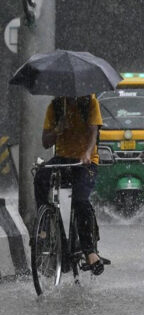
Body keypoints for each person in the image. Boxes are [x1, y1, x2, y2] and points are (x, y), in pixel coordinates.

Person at [34, 94, 104, 274]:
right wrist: (58, 129)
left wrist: (87, 153)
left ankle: (89, 251)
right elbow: (45, 142)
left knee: (80, 200)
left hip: (85, 162)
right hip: (62, 159)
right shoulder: (56, 106)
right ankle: (45, 228)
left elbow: (93, 132)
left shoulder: (90, 103)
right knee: (40, 176)